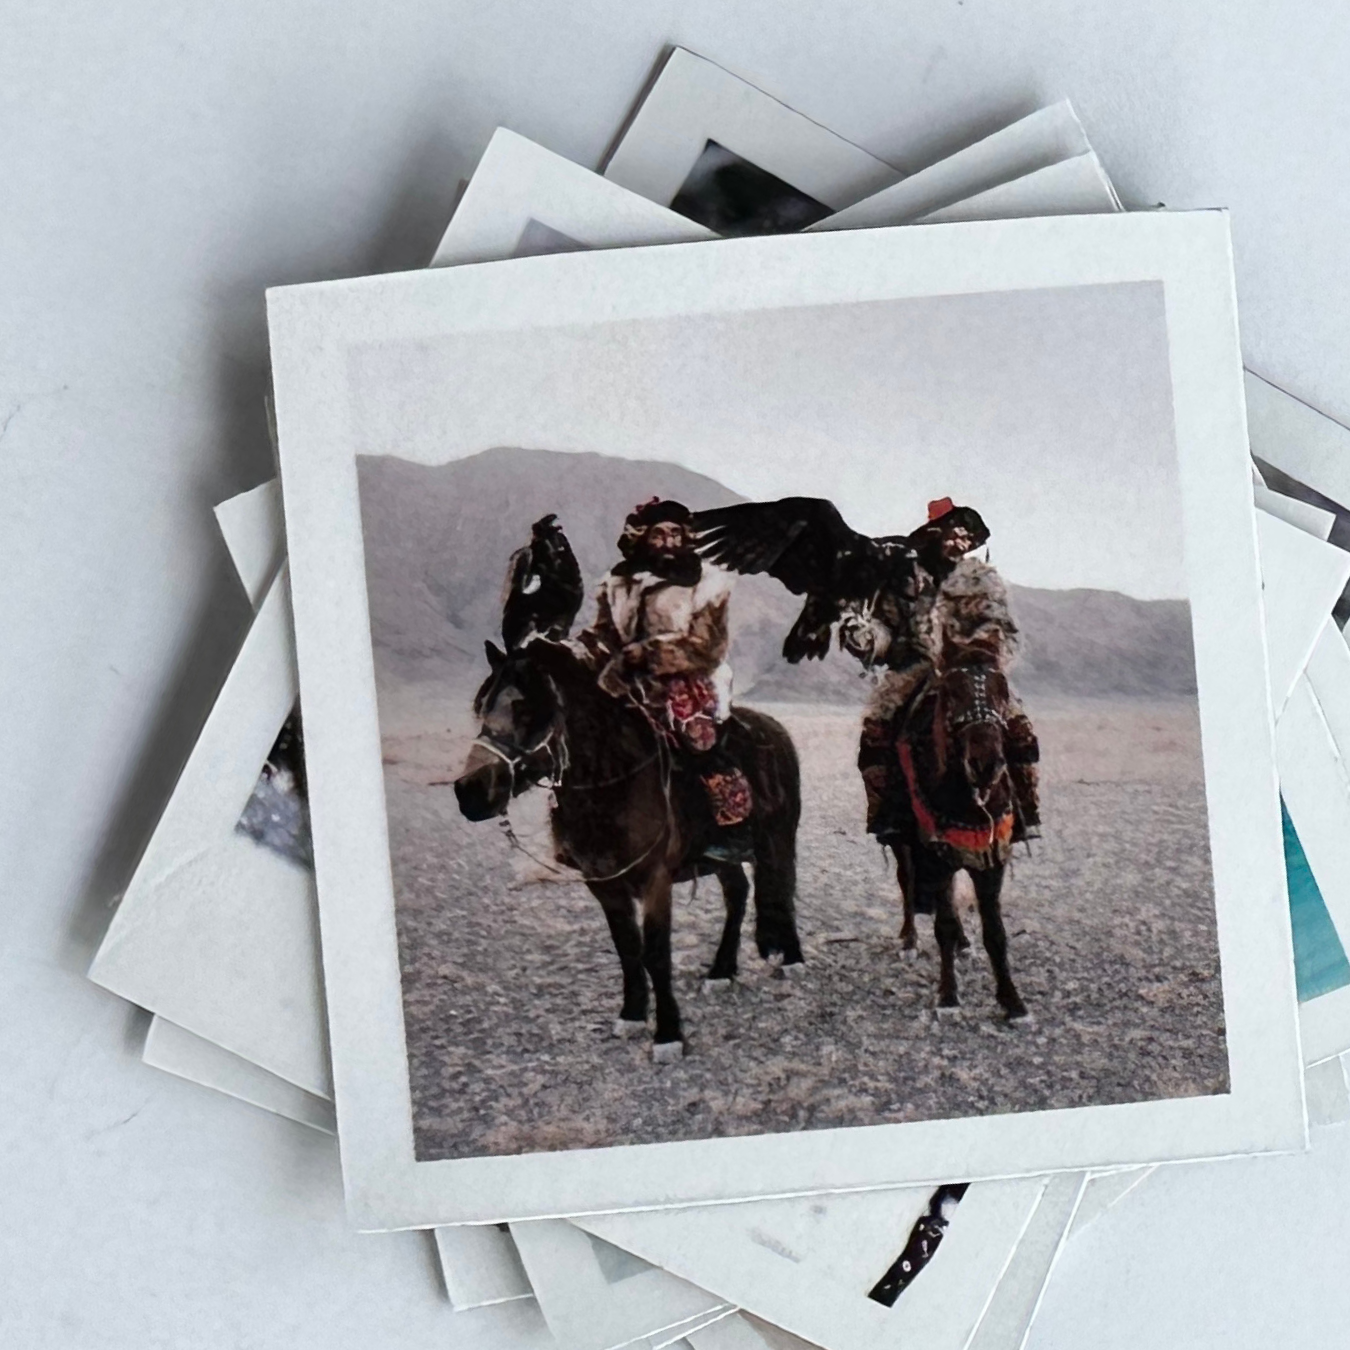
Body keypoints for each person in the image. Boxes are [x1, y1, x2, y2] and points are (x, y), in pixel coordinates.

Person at [575, 497, 754, 862]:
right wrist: (583, 652)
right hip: (624, 675)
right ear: (641, 537)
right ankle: (576, 826)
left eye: (676, 533)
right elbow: (604, 634)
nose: (669, 542)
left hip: (690, 675)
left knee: (697, 735)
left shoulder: (707, 583)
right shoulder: (616, 582)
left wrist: (646, 654)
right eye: (659, 534)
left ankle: (733, 829)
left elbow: (708, 645)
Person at [856, 498, 1041, 845]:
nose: (957, 541)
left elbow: (1006, 629)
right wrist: (869, 640)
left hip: (979, 666)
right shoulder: (905, 576)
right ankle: (886, 813)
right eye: (950, 532)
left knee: (1019, 727)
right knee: (876, 727)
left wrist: (988, 652)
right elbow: (887, 626)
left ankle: (1026, 810)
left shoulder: (985, 581)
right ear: (933, 534)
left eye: (964, 535)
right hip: (917, 665)